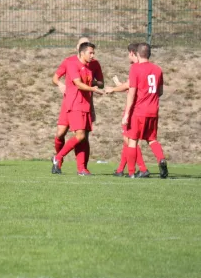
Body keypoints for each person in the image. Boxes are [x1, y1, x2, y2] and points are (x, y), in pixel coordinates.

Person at [51, 42, 105, 175]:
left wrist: (95, 84)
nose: (93, 55)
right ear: (80, 51)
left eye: (93, 52)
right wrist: (60, 84)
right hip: (72, 103)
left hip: (84, 104)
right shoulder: (71, 62)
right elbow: (76, 83)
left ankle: (81, 168)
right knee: (62, 134)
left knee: (82, 136)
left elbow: (100, 83)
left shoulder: (91, 66)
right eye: (90, 52)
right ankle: (58, 158)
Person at [122, 43, 168, 179]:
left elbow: (132, 93)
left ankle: (131, 172)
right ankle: (161, 159)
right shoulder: (158, 69)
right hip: (153, 110)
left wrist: (127, 113)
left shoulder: (135, 68)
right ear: (149, 54)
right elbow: (160, 92)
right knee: (152, 139)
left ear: (137, 54)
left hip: (139, 111)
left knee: (132, 140)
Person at [105, 43, 149, 177]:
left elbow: (130, 87)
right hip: (141, 108)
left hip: (134, 110)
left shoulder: (136, 67)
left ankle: (142, 168)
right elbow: (131, 87)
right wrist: (120, 85)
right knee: (128, 140)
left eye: (128, 53)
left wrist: (113, 89)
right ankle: (120, 170)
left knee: (130, 140)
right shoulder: (143, 68)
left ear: (132, 53)